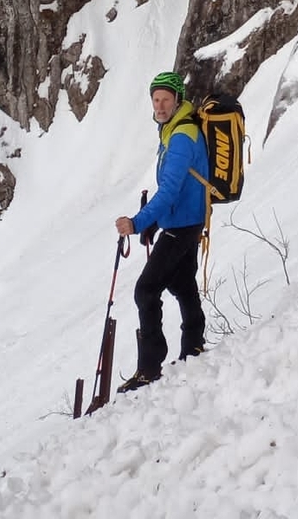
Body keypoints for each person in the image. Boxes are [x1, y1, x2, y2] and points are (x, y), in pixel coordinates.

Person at [114, 70, 208, 391]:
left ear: (178, 99)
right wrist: (155, 221)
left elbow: (169, 190)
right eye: (156, 99)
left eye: (166, 99)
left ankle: (150, 367)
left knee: (146, 290)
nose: (160, 105)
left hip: (182, 224)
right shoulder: (173, 129)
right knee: (182, 283)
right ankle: (193, 347)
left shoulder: (181, 136)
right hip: (184, 219)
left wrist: (139, 222)